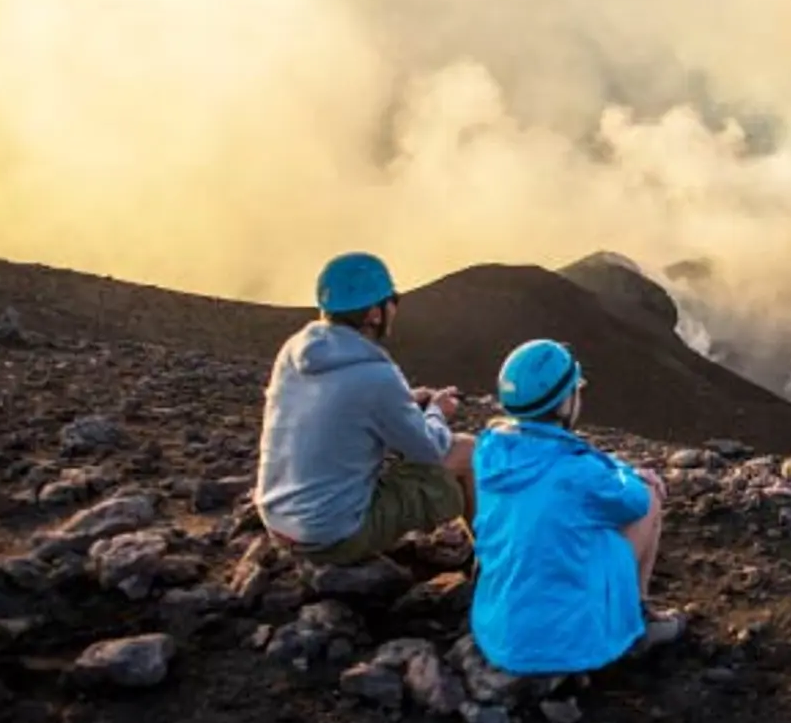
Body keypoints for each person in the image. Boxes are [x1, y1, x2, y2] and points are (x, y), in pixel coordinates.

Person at [469, 338, 683, 676]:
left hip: (499, 636)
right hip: (564, 644)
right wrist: (632, 474)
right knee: (649, 497)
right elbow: (634, 502)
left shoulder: (489, 451)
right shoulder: (578, 471)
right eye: (575, 390)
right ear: (564, 402)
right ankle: (639, 618)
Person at [253, 252, 475, 565]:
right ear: (374, 313)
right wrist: (438, 410)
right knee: (466, 450)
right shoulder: (377, 376)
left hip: (277, 520)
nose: (395, 308)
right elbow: (429, 450)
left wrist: (405, 401)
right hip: (328, 537)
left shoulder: (293, 352)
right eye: (393, 300)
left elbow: (339, 407)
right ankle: (491, 564)